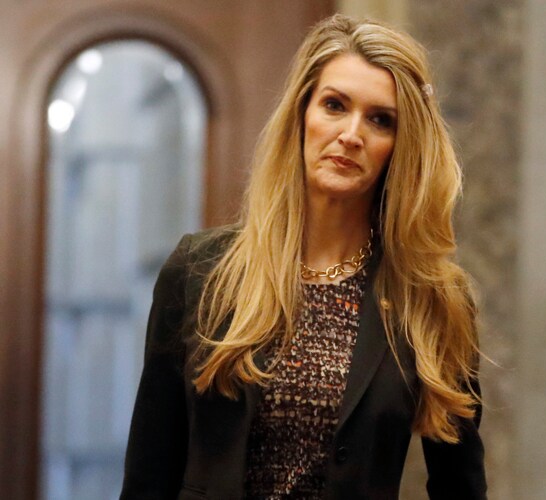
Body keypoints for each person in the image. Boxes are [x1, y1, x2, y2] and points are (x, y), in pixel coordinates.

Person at [120, 13, 487, 500]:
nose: (351, 134)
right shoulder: (200, 270)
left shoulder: (429, 298)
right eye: (335, 105)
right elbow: (150, 473)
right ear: (302, 115)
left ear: (400, 147)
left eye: (380, 120)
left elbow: (460, 485)